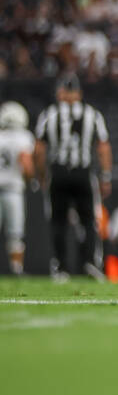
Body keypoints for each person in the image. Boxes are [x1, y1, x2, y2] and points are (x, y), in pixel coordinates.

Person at [33, 73, 112, 282]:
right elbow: (103, 147)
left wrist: (41, 176)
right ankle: (90, 262)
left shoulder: (50, 114)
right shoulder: (92, 114)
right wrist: (105, 176)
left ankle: (60, 267)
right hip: (83, 172)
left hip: (58, 173)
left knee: (58, 221)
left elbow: (39, 150)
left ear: (60, 92)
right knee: (88, 221)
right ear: (79, 93)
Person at [0, 102, 34, 275]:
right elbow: (25, 161)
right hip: (13, 190)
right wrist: (31, 179)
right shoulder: (23, 137)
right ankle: (16, 269)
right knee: (15, 233)